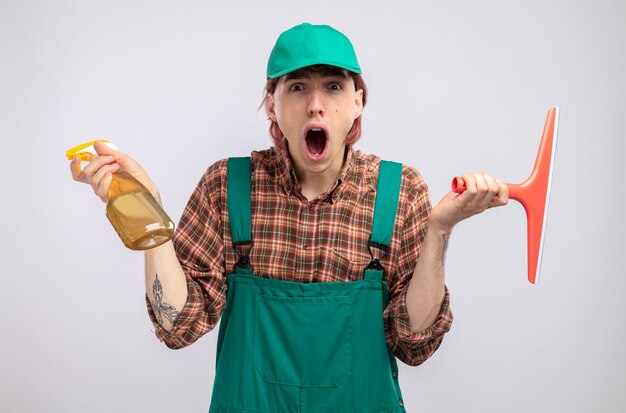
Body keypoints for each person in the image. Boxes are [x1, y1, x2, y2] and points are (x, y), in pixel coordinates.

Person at [70, 23, 508, 413]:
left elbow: (414, 343)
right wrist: (146, 211)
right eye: (297, 87)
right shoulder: (227, 186)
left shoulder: (400, 191)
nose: (316, 105)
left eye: (334, 86)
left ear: (358, 102)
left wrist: (439, 229)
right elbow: (178, 326)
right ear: (273, 105)